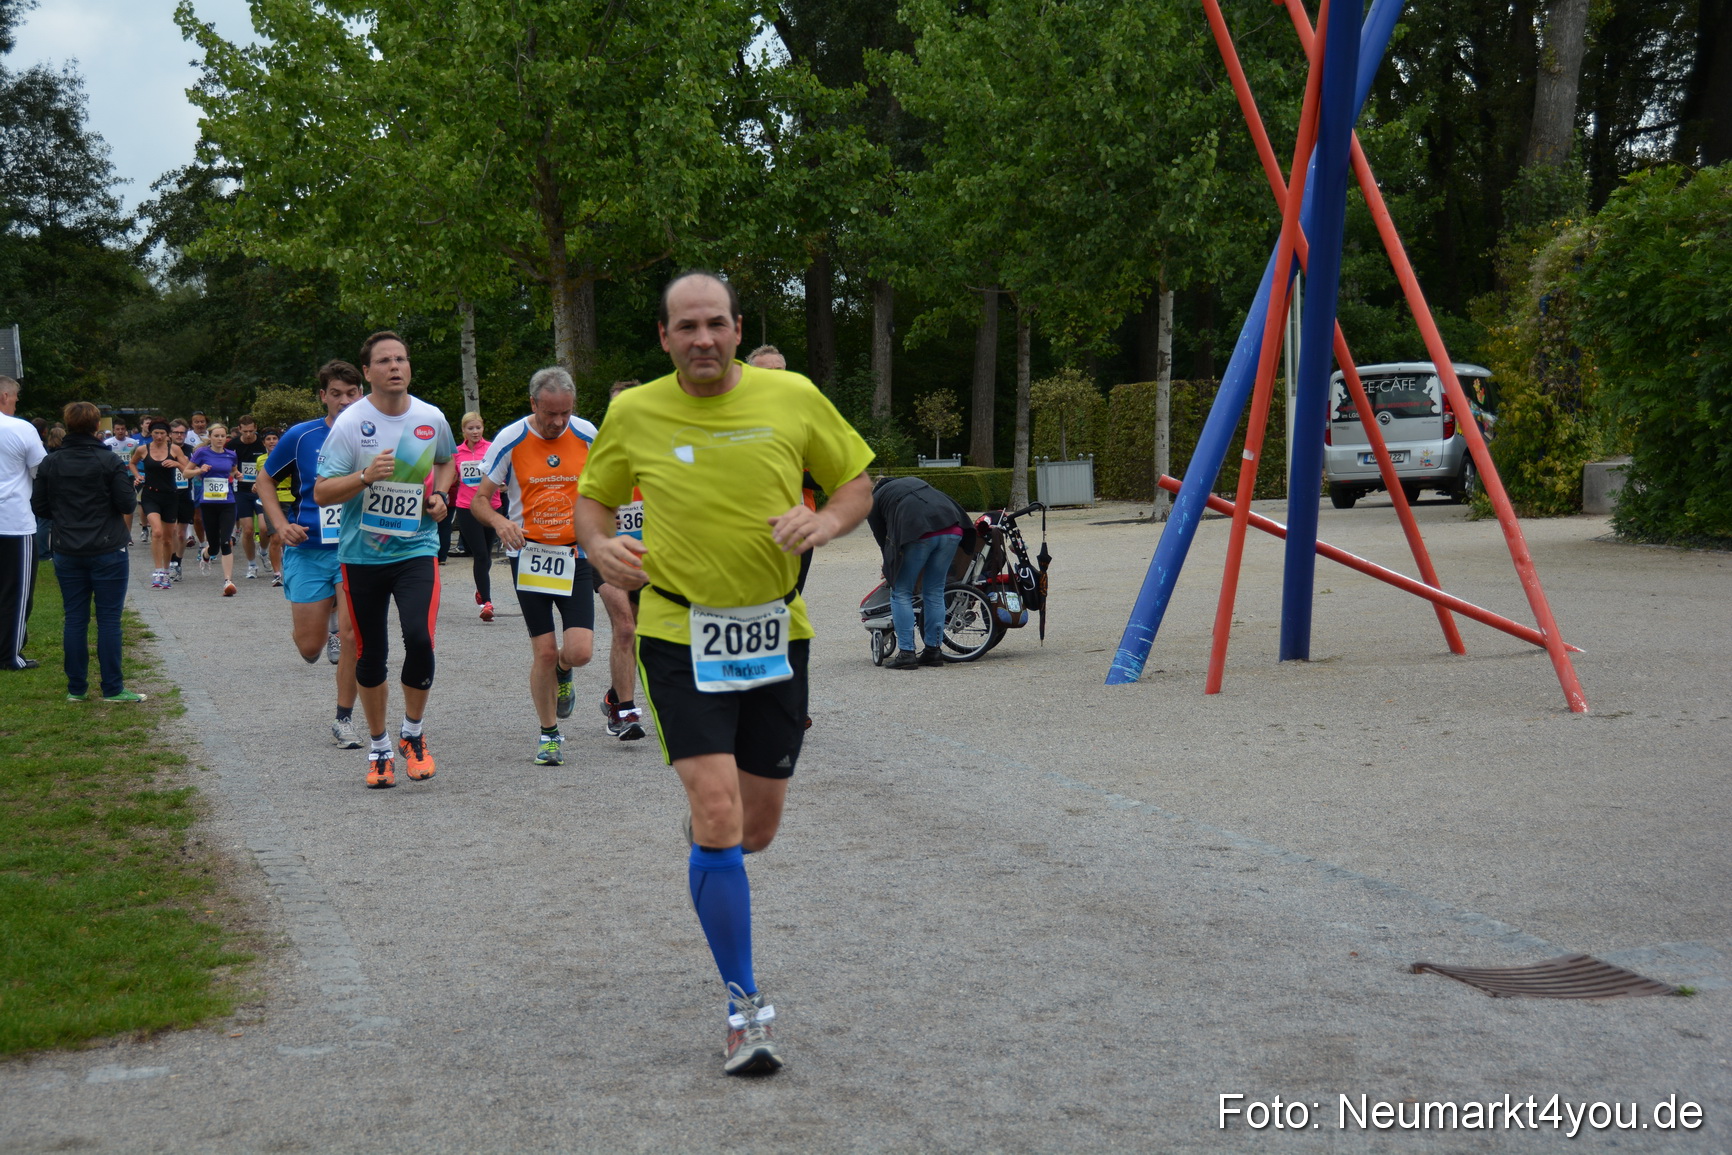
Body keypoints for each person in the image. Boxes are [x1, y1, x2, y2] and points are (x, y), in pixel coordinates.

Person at [575, 271, 874, 1075]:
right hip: (677, 631)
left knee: (755, 829)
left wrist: (826, 518)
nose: (701, 337)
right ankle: (746, 1008)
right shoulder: (633, 411)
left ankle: (716, 846)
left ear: (738, 328)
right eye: (685, 326)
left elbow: (857, 482)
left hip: (778, 630)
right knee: (718, 813)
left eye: (715, 323)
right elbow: (593, 502)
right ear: (665, 337)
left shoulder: (793, 396)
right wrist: (599, 546)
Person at [314, 332, 456, 788]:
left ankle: (412, 734)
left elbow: (446, 463)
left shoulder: (430, 417)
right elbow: (321, 491)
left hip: (417, 547)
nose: (395, 366)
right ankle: (379, 749)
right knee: (372, 653)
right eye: (384, 360)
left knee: (420, 637)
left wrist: (438, 496)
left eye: (402, 359)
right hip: (362, 554)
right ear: (369, 371)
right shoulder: (351, 423)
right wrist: (364, 476)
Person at [469, 370, 598, 766]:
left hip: (576, 556)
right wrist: (500, 522)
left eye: (565, 413)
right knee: (542, 650)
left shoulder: (588, 434)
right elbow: (479, 500)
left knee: (579, 651)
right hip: (530, 557)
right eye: (550, 414)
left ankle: (564, 670)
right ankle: (549, 734)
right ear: (533, 405)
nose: (558, 422)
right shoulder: (511, 439)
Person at [258, 363, 366, 747]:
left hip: (355, 551)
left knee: (354, 637)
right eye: (336, 393)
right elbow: (265, 480)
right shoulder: (301, 436)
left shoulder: (376, 432)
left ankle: (344, 719)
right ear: (323, 396)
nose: (344, 401)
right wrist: (279, 524)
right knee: (309, 646)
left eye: (351, 393)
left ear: (362, 394)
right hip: (307, 550)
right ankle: (328, 626)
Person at [30, 401, 142, 701]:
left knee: (75, 618)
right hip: (108, 548)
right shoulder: (109, 461)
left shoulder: (51, 462)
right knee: (108, 619)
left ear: (67, 425)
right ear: (97, 427)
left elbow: (39, 506)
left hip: (68, 548)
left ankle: (76, 688)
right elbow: (127, 504)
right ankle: (112, 687)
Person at [867, 475, 973, 669]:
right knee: (934, 591)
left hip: (919, 533)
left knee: (901, 591)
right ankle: (933, 651)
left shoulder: (874, 500)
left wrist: (889, 566)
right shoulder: (914, 482)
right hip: (953, 528)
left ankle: (906, 653)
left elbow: (883, 539)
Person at [595, 379, 647, 742]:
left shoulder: (661, 450)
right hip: (605, 556)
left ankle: (615, 695)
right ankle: (626, 712)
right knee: (625, 628)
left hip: (649, 560)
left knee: (643, 634)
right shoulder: (593, 449)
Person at [0, 376, 46, 671]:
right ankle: (9, 655)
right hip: (13, 520)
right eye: (15, 397)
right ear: (4, 396)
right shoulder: (20, 428)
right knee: (16, 593)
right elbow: (41, 470)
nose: (17, 402)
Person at [450, 411, 501, 621]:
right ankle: (487, 603)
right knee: (480, 554)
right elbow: (453, 478)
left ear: (483, 428)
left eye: (478, 427)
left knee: (486, 555)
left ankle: (481, 589)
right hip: (466, 507)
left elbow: (503, 472)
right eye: (470, 428)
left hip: (491, 506)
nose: (474, 432)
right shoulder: (456, 453)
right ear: (463, 431)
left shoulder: (492, 449)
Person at [133, 419, 191, 590]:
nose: (159, 437)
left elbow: (187, 470)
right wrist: (137, 475)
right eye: (156, 433)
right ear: (151, 434)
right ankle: (157, 570)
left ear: (168, 435)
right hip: (150, 495)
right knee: (157, 532)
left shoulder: (174, 449)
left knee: (168, 536)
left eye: (162, 434)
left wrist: (177, 463)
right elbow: (132, 463)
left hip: (170, 496)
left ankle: (166, 570)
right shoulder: (143, 449)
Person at [188, 423, 241, 595]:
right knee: (214, 548)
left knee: (226, 541)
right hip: (208, 503)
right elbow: (185, 473)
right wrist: (199, 470)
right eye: (216, 436)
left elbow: (233, 471)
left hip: (227, 502)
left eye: (223, 436)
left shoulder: (231, 454)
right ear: (210, 437)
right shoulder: (201, 453)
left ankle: (228, 581)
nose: (220, 439)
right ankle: (206, 553)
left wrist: (237, 475)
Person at [229, 415, 268, 579]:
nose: (249, 434)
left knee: (265, 528)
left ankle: (264, 552)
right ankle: (252, 565)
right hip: (242, 491)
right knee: (248, 530)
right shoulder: (232, 445)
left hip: (261, 491)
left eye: (252, 431)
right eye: (245, 431)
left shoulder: (262, 444)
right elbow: (225, 464)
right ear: (239, 430)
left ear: (256, 428)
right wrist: (234, 472)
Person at [258, 429, 290, 587]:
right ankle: (277, 573)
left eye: (275, 438)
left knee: (289, 538)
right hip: (271, 499)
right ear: (264, 443)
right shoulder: (261, 460)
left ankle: (289, 570)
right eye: (268, 439)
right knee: (275, 537)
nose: (272, 441)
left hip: (290, 498)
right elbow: (260, 480)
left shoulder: (289, 456)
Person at [167, 418, 196, 580]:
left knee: (181, 533)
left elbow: (197, 469)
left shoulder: (191, 450)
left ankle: (178, 562)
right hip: (169, 494)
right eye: (176, 433)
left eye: (182, 433)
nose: (179, 435)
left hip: (186, 494)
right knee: (170, 530)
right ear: (170, 434)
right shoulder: (164, 449)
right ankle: (171, 562)